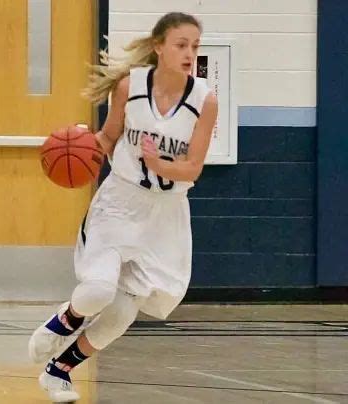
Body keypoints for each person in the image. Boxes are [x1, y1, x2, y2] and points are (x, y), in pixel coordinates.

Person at [29, 11, 218, 402]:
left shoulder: (205, 100)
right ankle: (60, 323)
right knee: (97, 290)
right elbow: (110, 137)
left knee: (121, 314)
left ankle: (58, 371)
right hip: (121, 202)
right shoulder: (130, 87)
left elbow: (193, 167)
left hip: (165, 216)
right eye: (181, 45)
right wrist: (79, 143)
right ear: (159, 47)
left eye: (195, 46)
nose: (189, 53)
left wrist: (160, 164)